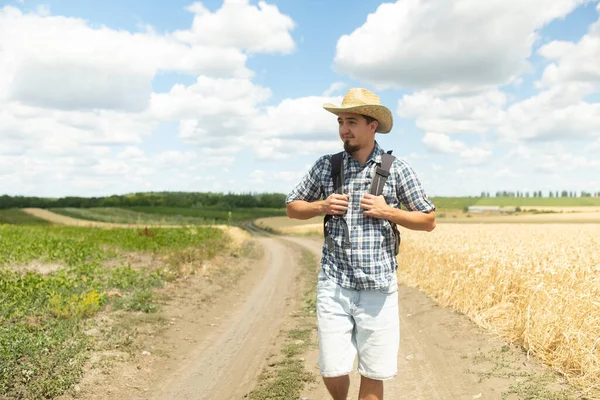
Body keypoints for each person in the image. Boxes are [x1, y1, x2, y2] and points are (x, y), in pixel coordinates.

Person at [285, 87, 436, 400]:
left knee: (373, 371)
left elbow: (428, 220)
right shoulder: (327, 166)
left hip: (378, 287)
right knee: (331, 367)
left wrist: (388, 211)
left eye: (351, 121)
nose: (343, 129)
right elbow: (292, 207)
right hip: (334, 282)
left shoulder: (395, 168)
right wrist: (320, 206)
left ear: (372, 125)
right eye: (340, 122)